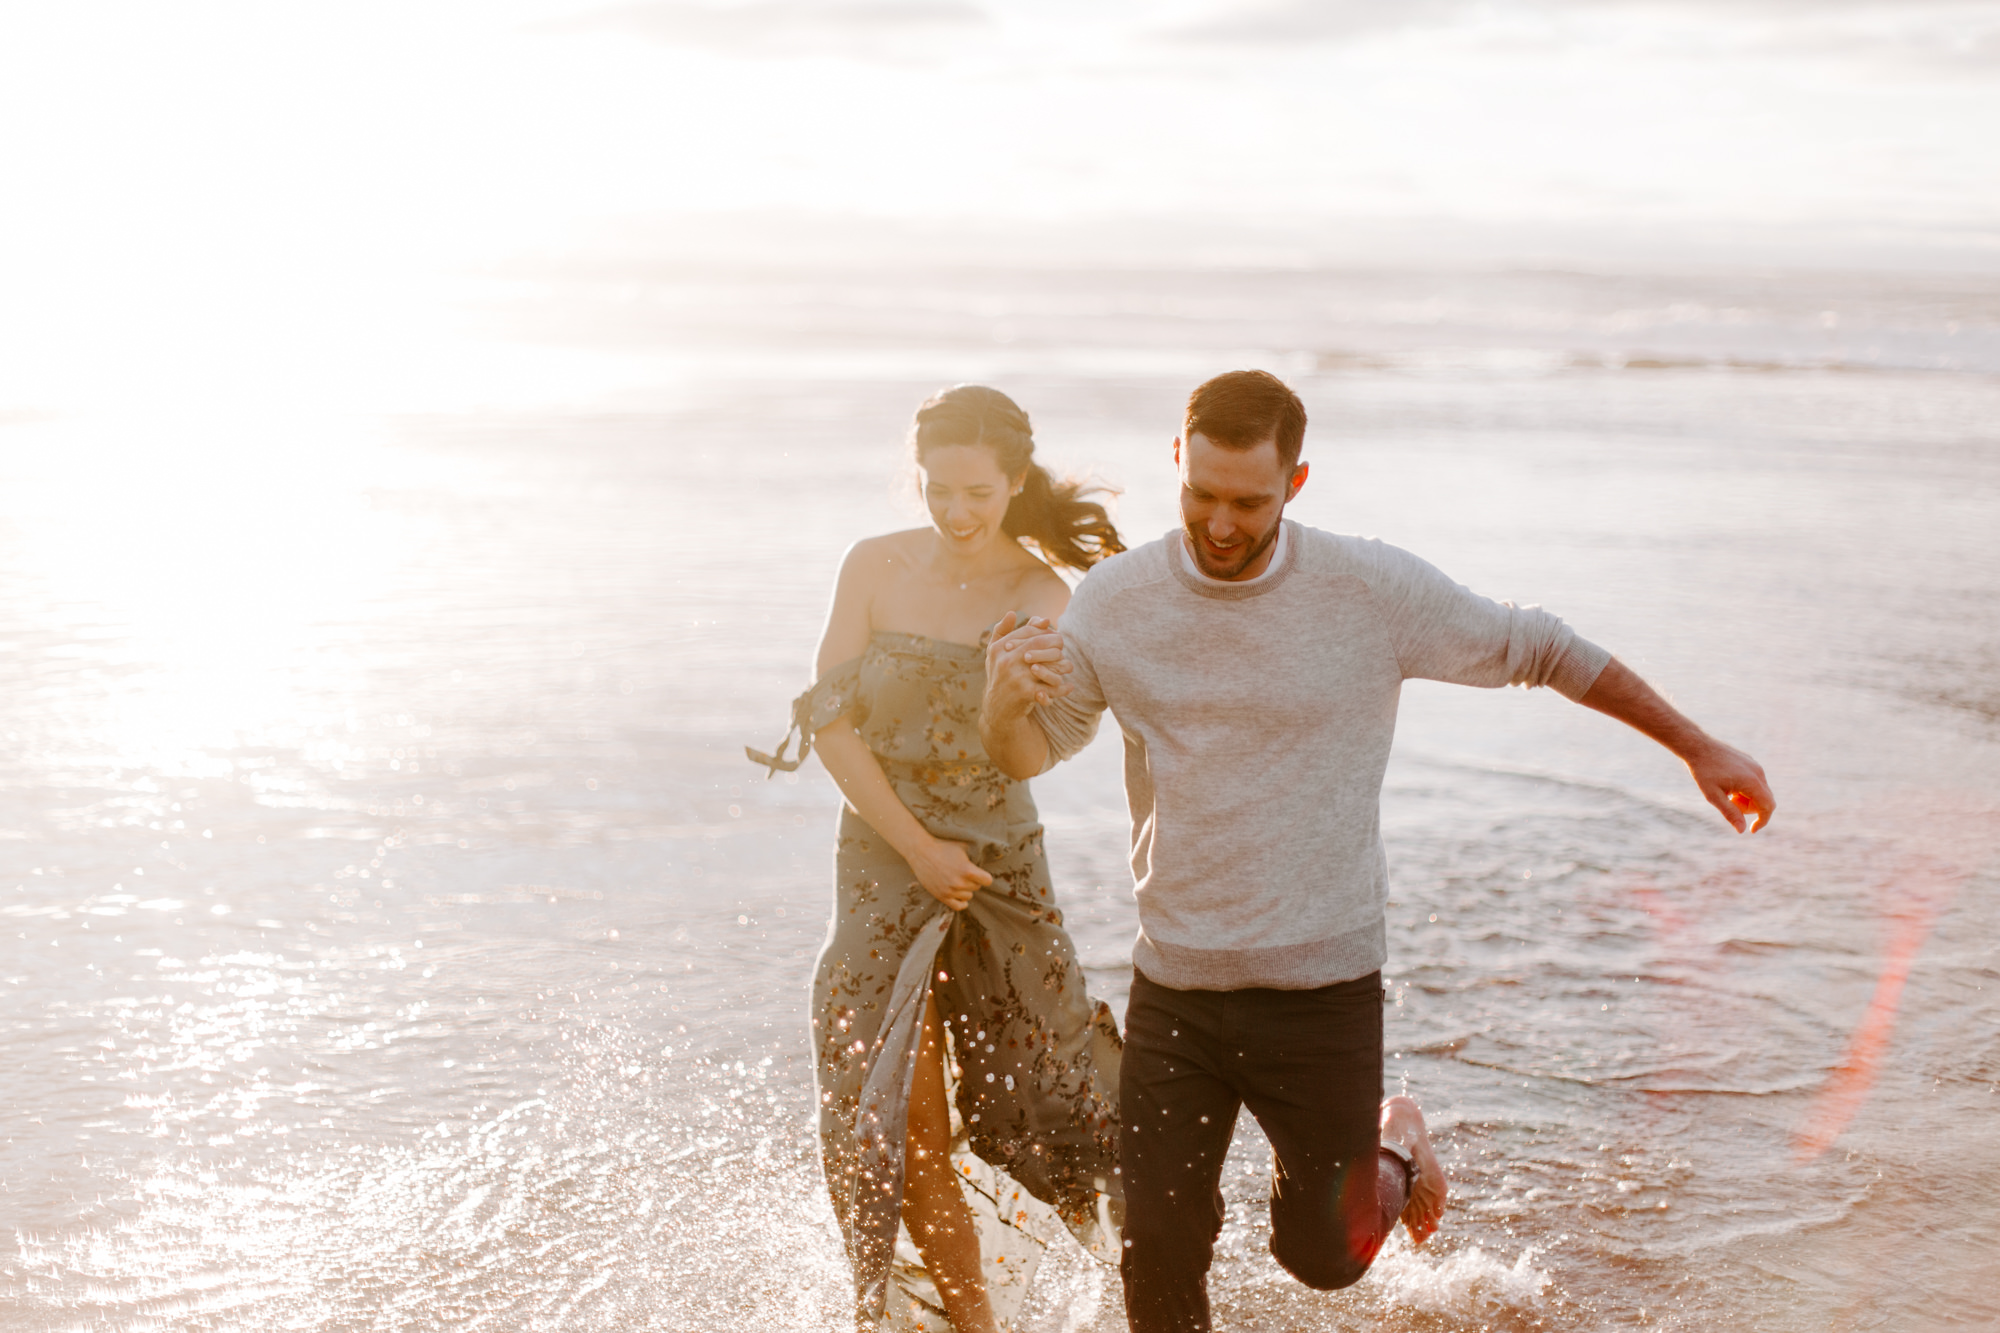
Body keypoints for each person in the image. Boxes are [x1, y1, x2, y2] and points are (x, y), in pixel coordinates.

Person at [978, 370, 1776, 1333]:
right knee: (1157, 1255)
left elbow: (1543, 648)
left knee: (1324, 1257)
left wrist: (1697, 744)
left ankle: (1394, 1145)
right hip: (1177, 989)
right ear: (1176, 462)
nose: (1221, 523)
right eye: (1202, 494)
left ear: (1297, 483)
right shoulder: (1114, 601)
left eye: (1250, 501)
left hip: (1322, 989)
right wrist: (1000, 706)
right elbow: (1035, 747)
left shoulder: (1366, 588)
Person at [748, 385, 1128, 1333]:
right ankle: (972, 1327)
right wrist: (916, 847)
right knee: (892, 1120)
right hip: (883, 863)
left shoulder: (1045, 595)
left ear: (1013, 483)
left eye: (977, 493)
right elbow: (828, 716)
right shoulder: (871, 566)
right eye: (936, 489)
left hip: (999, 869)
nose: (956, 512)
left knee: (1061, 1097)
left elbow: (1036, 747)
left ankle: (1138, 1286)